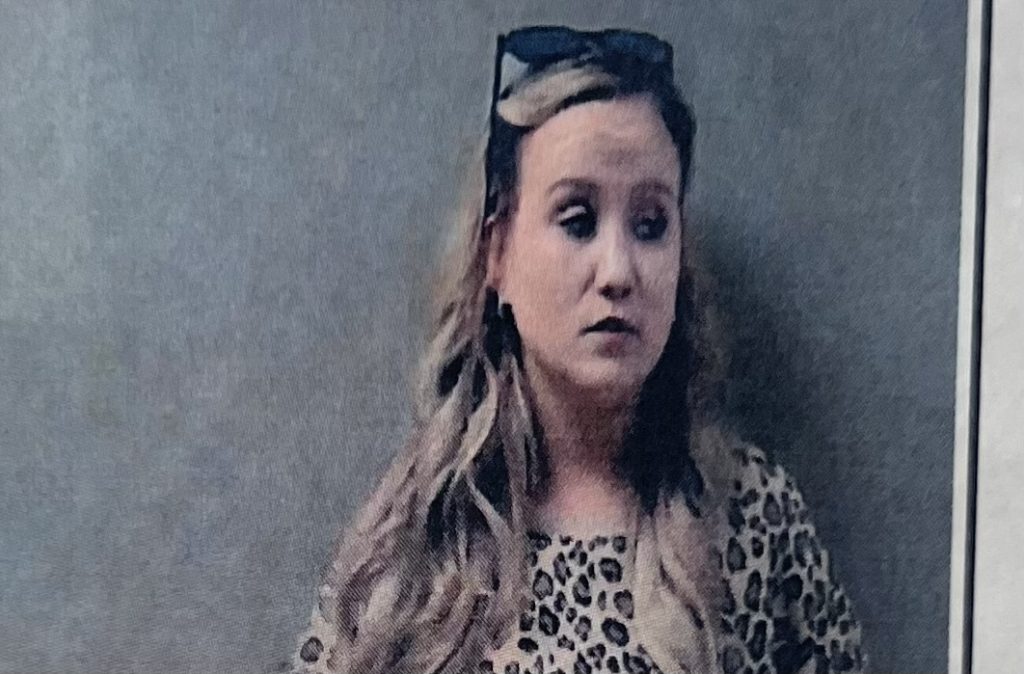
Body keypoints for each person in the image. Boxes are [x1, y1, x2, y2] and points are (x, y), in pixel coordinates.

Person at [289, 25, 866, 674]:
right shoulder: (414, 536)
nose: (618, 271)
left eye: (650, 225)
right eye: (577, 220)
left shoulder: (755, 515)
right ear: (498, 254)